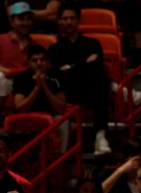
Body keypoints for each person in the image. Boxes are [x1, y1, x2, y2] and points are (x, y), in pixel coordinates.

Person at [47, 3, 111, 155]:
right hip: (69, 91)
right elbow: (59, 74)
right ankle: (115, 87)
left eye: (72, 18)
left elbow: (96, 66)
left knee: (99, 84)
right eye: (65, 18)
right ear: (60, 21)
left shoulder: (93, 43)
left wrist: (71, 67)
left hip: (92, 89)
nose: (68, 22)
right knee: (100, 82)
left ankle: (100, 136)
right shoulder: (54, 49)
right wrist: (84, 65)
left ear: (78, 20)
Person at [12, 44, 65, 116]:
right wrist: (37, 88)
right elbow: (20, 109)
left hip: (52, 117)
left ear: (47, 61)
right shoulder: (20, 78)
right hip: (28, 117)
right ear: (29, 63)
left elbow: (60, 109)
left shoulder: (56, 75)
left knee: (63, 123)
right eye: (34, 60)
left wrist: (44, 85)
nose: (39, 63)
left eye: (42, 59)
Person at [0, 2, 36, 74]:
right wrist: (11, 72)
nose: (25, 23)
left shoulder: (34, 45)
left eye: (28, 19)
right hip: (2, 81)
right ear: (12, 21)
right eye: (21, 19)